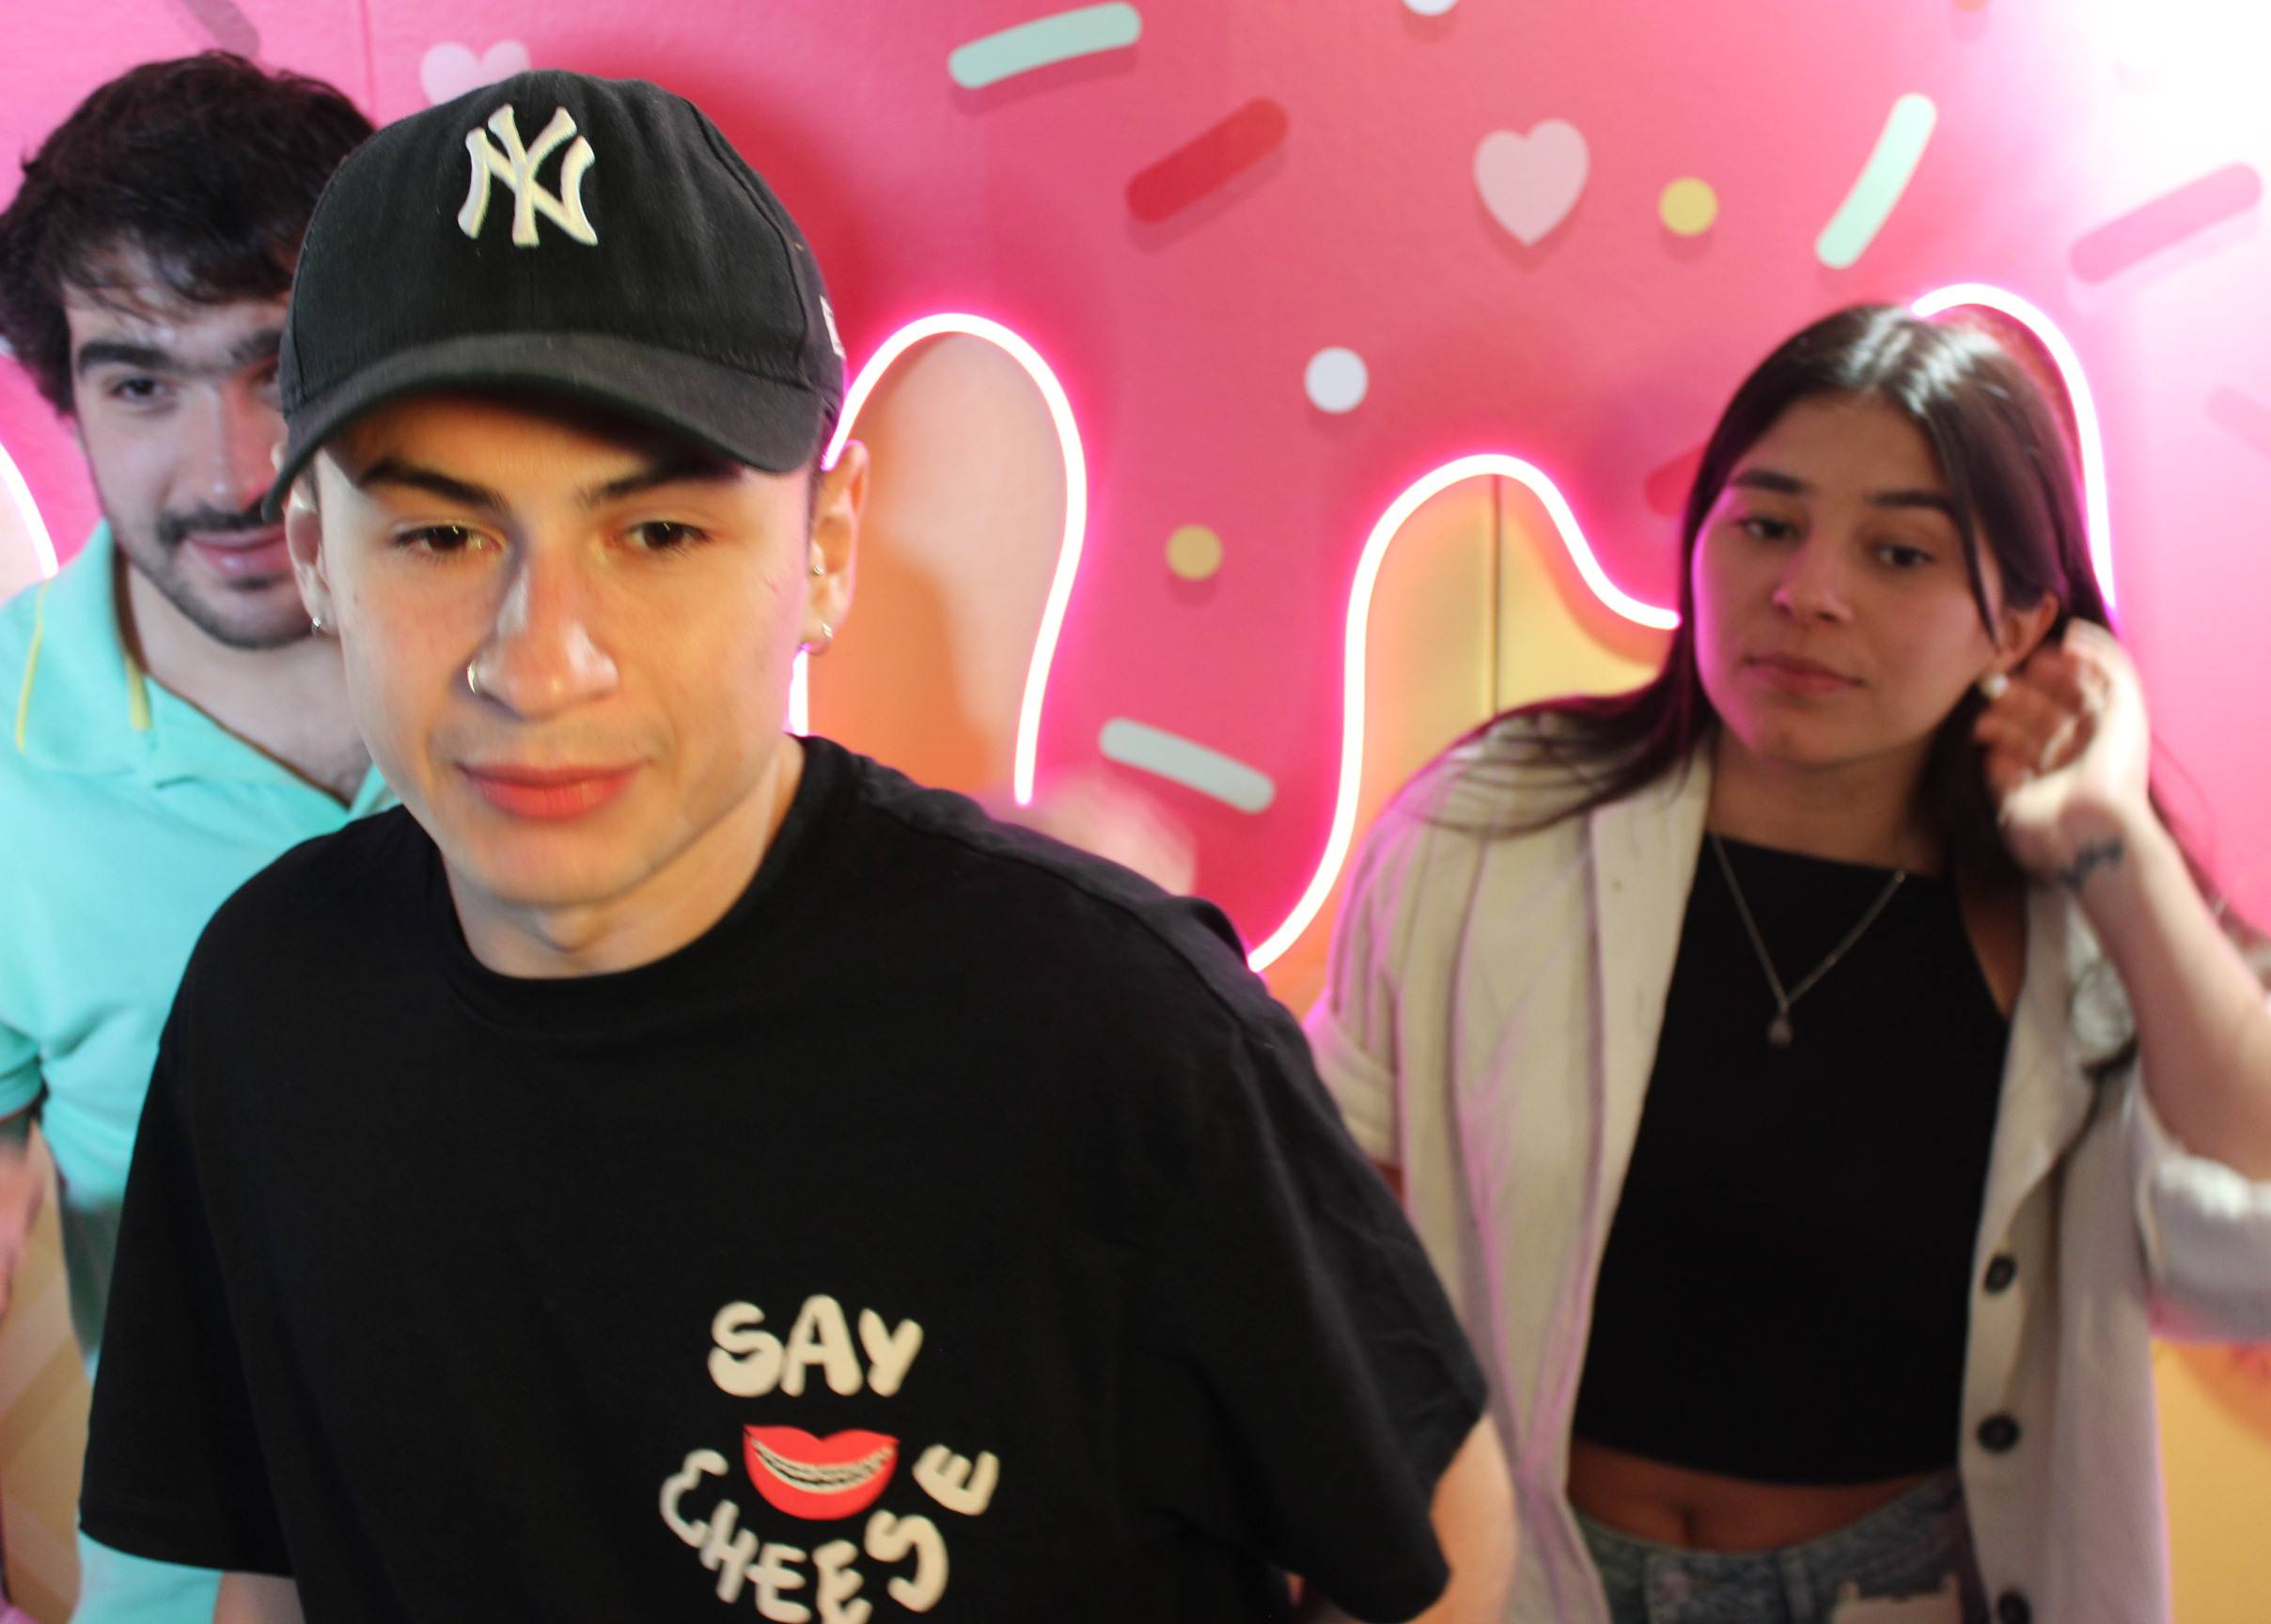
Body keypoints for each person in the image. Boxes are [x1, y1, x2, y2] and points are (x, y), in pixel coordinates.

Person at [75, 70, 1515, 1623]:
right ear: (317, 555)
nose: (541, 663)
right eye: (441, 535)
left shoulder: (1111, 1027)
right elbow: (273, 1566)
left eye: (659, 534)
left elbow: (1436, 1548)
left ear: (823, 550)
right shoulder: (269, 999)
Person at [1306, 304, 2271, 1624]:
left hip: (1904, 1591)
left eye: (1899, 553)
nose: (1808, 592)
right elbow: (1336, 1237)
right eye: (1765, 526)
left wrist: (2113, 844)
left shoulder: (2076, 926)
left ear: (2021, 624)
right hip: (1523, 1580)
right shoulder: (1495, 827)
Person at [0, 53, 379, 1624]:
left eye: (275, 365)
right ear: (67, 397)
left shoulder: (563, 669)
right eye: (140, 382)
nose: (230, 472)